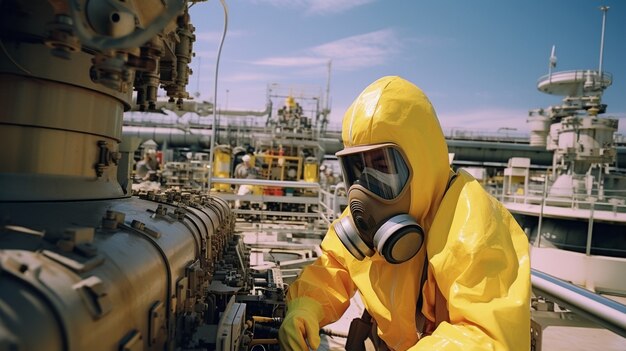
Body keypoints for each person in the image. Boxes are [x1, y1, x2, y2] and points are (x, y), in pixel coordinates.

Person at [278, 76, 530, 350]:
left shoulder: (475, 227)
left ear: (419, 159)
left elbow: (486, 337)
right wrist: (306, 307)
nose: (365, 189)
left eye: (381, 166)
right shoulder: (370, 220)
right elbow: (334, 268)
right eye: (358, 169)